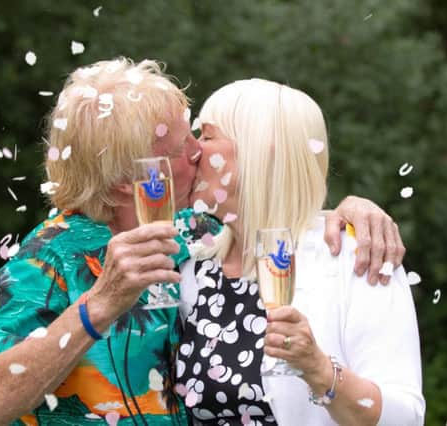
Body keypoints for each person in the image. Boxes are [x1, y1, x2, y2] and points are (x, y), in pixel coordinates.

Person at [0, 58, 407, 426]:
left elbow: (271, 213)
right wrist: (100, 304)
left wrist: (352, 211)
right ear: (127, 182)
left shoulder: (193, 234)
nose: (199, 150)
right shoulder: (45, 259)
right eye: (181, 146)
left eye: (197, 134)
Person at [175, 79, 424, 425]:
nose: (194, 151)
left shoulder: (355, 255)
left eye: (207, 135)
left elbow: (406, 418)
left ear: (260, 149)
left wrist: (319, 369)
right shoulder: (195, 263)